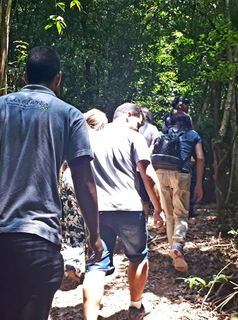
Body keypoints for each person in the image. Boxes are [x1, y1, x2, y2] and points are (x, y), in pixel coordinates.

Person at [0, 46, 103, 320]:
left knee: (3, 311)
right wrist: (94, 234)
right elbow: (84, 180)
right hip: (36, 238)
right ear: (58, 79)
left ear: (25, 76)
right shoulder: (70, 116)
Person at [83, 103, 164, 320]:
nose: (138, 128)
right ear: (129, 115)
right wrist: (159, 209)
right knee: (138, 257)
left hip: (98, 212)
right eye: (138, 122)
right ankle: (136, 306)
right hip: (129, 208)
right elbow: (147, 175)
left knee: (95, 267)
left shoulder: (92, 137)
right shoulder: (132, 137)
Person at [59, 108, 108, 290]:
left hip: (67, 179)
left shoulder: (73, 134)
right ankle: (86, 262)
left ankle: (72, 260)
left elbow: (63, 165)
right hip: (85, 181)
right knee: (89, 223)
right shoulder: (98, 139)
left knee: (73, 226)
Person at [154, 112, 204, 272]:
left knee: (169, 217)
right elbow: (200, 157)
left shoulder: (164, 133)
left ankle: (174, 256)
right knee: (181, 215)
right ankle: (177, 246)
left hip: (161, 172)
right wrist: (199, 185)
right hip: (181, 174)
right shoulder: (193, 134)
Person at [137, 107, 160, 228]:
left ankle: (140, 226)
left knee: (139, 198)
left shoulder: (133, 128)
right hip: (145, 165)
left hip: (132, 166)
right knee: (145, 199)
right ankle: (143, 227)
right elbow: (154, 145)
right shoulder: (152, 129)